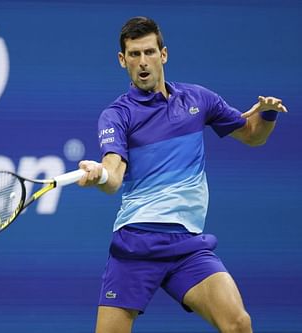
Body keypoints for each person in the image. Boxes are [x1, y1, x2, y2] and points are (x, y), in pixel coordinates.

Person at [77, 16, 287, 333]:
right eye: (134, 55)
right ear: (123, 60)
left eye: (149, 52)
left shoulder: (199, 100)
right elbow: (114, 173)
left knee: (238, 324)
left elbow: (252, 135)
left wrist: (268, 114)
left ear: (164, 54)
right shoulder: (117, 115)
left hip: (187, 245)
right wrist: (101, 175)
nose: (143, 62)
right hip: (137, 244)